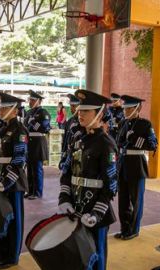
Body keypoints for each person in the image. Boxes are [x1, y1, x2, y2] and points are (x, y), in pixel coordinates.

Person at [58, 89, 117, 270]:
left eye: (86, 111)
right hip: (75, 209)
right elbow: (67, 173)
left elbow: (111, 185)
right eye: (80, 110)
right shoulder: (77, 141)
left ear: (99, 113)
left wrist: (97, 213)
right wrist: (64, 199)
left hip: (95, 213)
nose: (79, 114)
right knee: (78, 257)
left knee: (95, 257)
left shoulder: (107, 145)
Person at [0, 92, 28, 269]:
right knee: (3, 218)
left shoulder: (20, 131)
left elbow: (19, 161)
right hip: (1, 180)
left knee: (15, 222)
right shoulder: (3, 130)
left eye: (4, 107)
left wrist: (6, 183)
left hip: (14, 183)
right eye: (1, 107)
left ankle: (12, 257)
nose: (0, 110)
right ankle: (2, 254)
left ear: (14, 110)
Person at [115, 95, 158, 240]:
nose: (126, 111)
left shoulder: (145, 124)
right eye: (125, 108)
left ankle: (134, 230)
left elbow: (153, 145)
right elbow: (117, 144)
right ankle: (124, 228)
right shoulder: (122, 124)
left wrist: (134, 139)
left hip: (136, 164)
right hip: (123, 163)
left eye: (129, 108)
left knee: (136, 200)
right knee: (123, 200)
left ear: (137, 108)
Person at [23, 90, 51, 200]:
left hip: (38, 142)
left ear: (38, 101)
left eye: (33, 100)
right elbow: (25, 126)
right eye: (30, 100)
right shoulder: (29, 112)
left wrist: (32, 123)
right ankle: (30, 191)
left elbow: (45, 128)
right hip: (29, 142)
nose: (30, 101)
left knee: (37, 168)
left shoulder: (43, 112)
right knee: (29, 169)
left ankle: (38, 192)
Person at [59, 94, 81, 170]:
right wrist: (63, 156)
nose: (72, 109)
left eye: (74, 106)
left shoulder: (82, 122)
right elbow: (65, 140)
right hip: (68, 155)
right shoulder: (70, 121)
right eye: (71, 106)